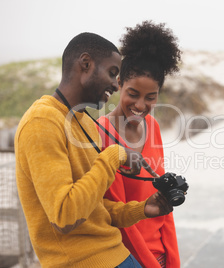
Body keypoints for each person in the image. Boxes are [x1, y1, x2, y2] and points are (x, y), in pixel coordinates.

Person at [14, 32, 173, 268]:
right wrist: (115, 155)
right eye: (112, 73)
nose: (114, 84)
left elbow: (95, 208)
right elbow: (65, 215)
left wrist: (142, 209)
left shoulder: (85, 123)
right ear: (86, 64)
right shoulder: (42, 120)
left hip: (115, 254)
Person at [96, 21, 182, 268]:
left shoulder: (153, 127)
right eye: (133, 93)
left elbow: (164, 208)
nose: (141, 105)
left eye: (150, 97)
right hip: (128, 259)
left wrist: (172, 260)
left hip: (161, 256)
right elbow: (119, 217)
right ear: (119, 83)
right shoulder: (101, 134)